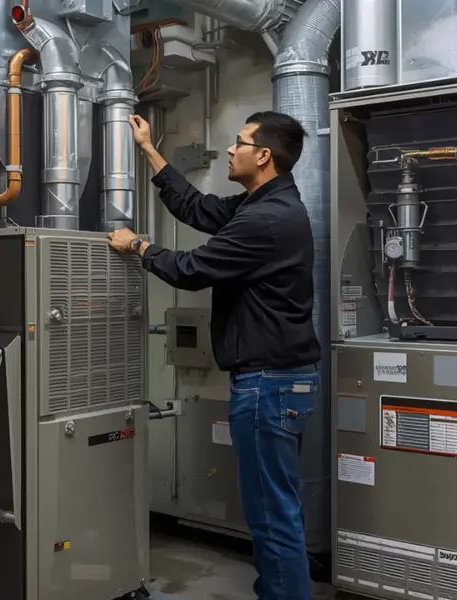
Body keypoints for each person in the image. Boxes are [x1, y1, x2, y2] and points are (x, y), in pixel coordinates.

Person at [108, 111, 322, 600]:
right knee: (274, 511)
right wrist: (149, 149)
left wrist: (137, 245)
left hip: (269, 384)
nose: (231, 149)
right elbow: (199, 209)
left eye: (240, 141)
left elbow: (190, 269)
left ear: (263, 155)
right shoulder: (263, 203)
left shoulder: (267, 220)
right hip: (278, 382)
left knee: (271, 516)